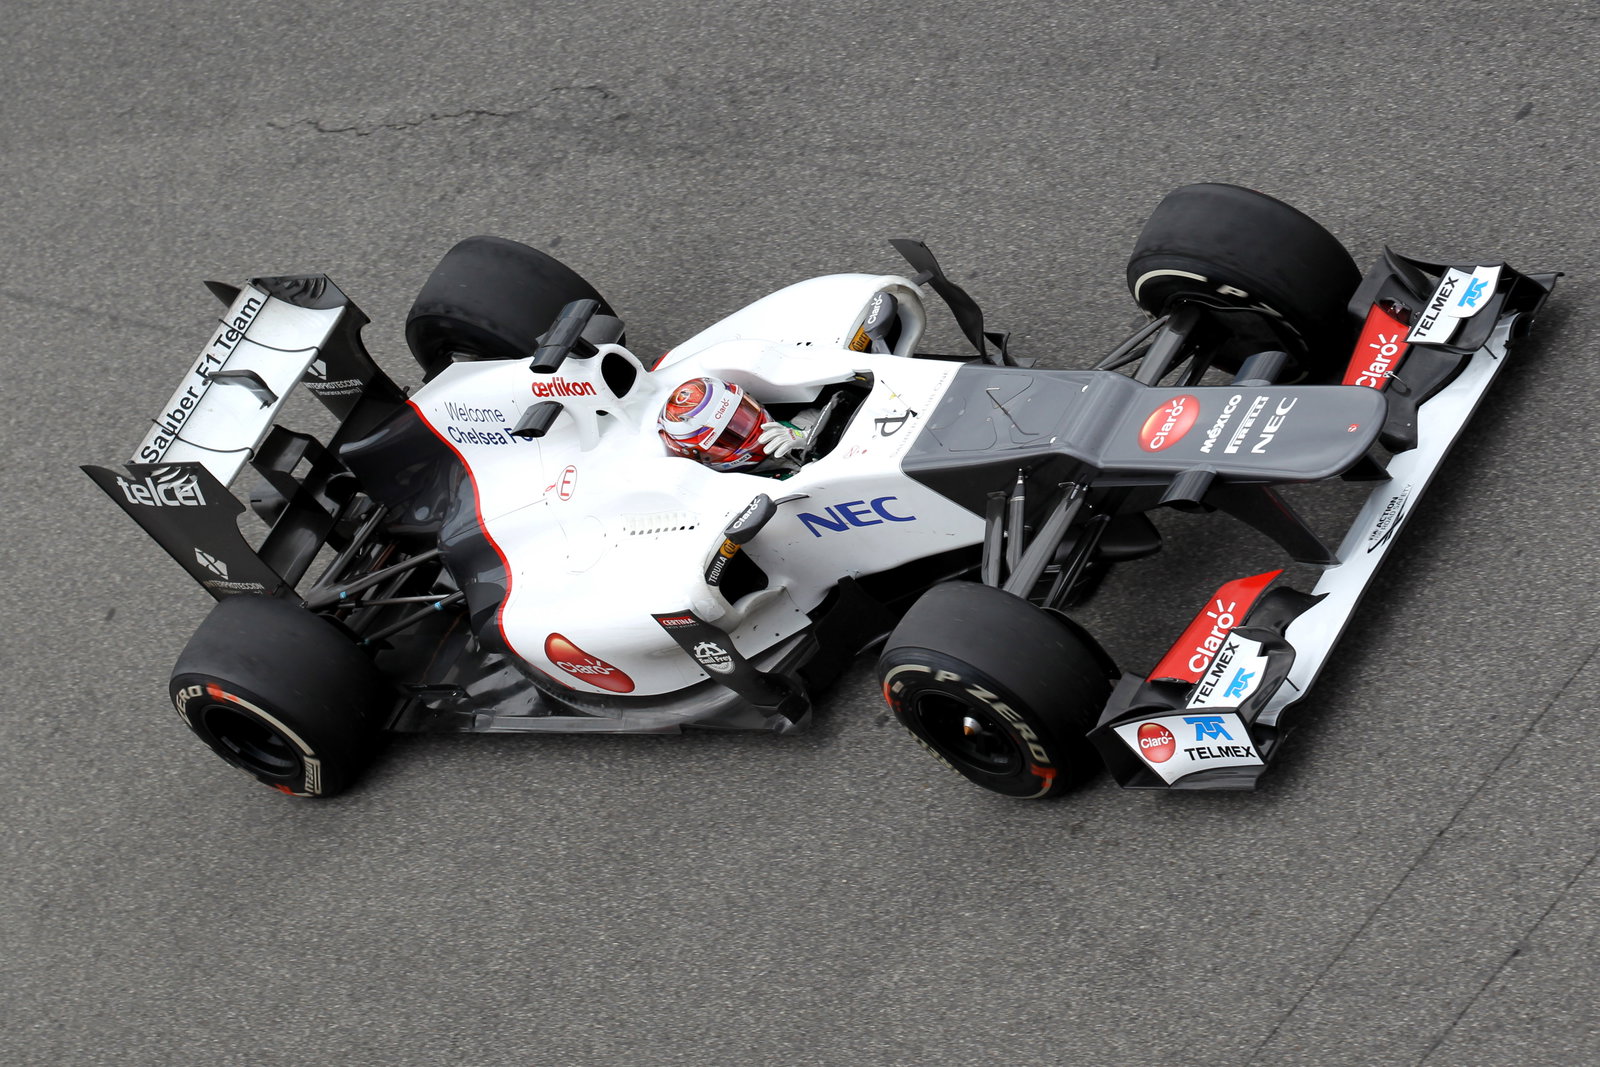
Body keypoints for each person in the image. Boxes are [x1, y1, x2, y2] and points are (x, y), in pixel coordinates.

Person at [657, 377, 816, 474]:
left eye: (743, 416)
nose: (748, 431)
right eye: (727, 437)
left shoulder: (807, 420)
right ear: (702, 457)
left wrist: (810, 437)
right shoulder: (741, 493)